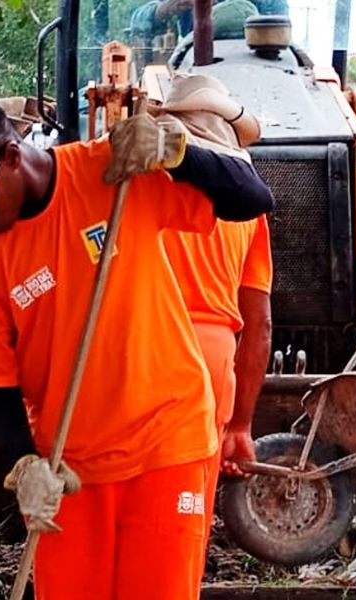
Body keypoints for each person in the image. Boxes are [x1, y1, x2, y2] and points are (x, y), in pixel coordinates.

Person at [0, 93, 273, 600]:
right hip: (69, 465)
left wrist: (177, 152)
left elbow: (253, 200)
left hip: (167, 444)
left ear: (12, 157)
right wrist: (24, 463)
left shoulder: (114, 173)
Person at [155, 74, 272, 536]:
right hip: (211, 356)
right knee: (187, 509)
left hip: (142, 344)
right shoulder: (247, 208)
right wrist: (240, 425)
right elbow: (259, 323)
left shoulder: (139, 186)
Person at [130, 0, 289, 49]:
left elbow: (279, 36)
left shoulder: (268, 3)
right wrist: (163, 9)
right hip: (191, 77)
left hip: (254, 72)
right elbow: (136, 22)